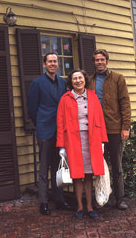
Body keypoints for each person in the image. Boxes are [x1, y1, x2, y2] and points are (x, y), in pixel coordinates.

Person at [57, 69, 108, 219]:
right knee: (77, 175)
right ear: (71, 82)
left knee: (88, 174)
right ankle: (79, 206)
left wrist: (102, 141)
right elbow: (60, 124)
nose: (78, 81)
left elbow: (100, 119)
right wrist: (61, 146)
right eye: (74, 79)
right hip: (73, 141)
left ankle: (90, 206)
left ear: (85, 80)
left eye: (80, 78)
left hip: (91, 140)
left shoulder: (93, 97)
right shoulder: (65, 99)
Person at [27, 52, 70, 215]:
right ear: (44, 64)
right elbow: (31, 108)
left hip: (60, 132)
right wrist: (40, 123)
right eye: (49, 61)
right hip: (45, 131)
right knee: (44, 169)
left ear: (58, 64)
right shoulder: (37, 83)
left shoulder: (63, 82)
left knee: (58, 167)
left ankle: (59, 200)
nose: (52, 64)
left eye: (55, 61)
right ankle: (44, 202)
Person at [89, 49, 131, 210]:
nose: (99, 62)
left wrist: (125, 127)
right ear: (94, 62)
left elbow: (125, 104)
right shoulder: (90, 80)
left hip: (114, 129)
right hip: (96, 131)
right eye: (97, 60)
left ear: (107, 61)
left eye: (102, 59)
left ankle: (119, 198)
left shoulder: (117, 78)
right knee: (99, 166)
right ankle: (102, 196)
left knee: (117, 166)